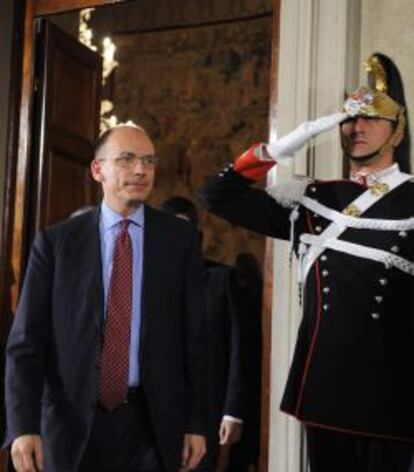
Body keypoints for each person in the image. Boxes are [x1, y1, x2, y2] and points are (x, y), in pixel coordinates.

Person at [200, 53, 414, 472]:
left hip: (393, 390)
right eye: (349, 119)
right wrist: (286, 143)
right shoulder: (314, 198)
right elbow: (217, 196)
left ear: (397, 130)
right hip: (325, 387)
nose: (357, 128)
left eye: (372, 119)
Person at [4, 123, 208, 472]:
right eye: (127, 159)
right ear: (98, 169)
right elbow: (26, 343)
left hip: (152, 424)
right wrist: (22, 426)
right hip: (71, 424)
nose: (142, 170)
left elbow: (197, 340)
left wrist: (197, 423)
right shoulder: (56, 244)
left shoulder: (181, 240)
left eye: (149, 160)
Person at [160, 197, 244, 472]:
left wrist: (232, 411)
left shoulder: (221, 280)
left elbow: (238, 349)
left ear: (196, 235)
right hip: (154, 412)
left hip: (206, 411)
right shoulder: (141, 283)